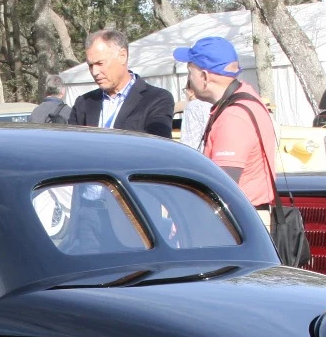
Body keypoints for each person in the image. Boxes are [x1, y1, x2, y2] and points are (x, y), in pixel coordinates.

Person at [175, 36, 280, 223]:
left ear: (205, 77)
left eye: (190, 72)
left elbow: (222, 187)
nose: (189, 80)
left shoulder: (234, 117)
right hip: (247, 219)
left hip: (238, 223)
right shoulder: (247, 98)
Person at [68, 28, 174, 137]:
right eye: (90, 65)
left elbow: (158, 148)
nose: (95, 72)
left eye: (100, 63)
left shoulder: (157, 99)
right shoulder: (83, 103)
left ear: (122, 56)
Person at [178, 84, 213, 151]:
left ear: (191, 92)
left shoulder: (192, 106)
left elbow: (189, 143)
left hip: (201, 156)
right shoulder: (216, 103)